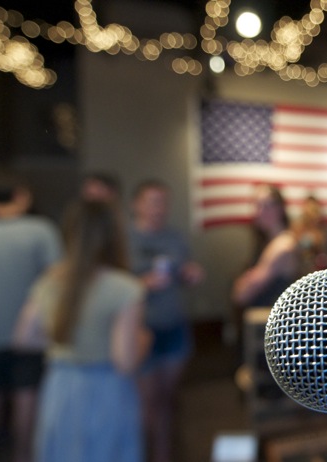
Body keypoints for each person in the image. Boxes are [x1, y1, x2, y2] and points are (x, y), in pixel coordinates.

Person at [13, 200, 150, 462]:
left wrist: (66, 341)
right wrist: (144, 339)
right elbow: (125, 361)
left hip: (60, 386)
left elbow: (24, 338)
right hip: (106, 388)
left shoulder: (50, 280)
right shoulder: (125, 288)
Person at [127, 179, 204, 462]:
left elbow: (185, 270)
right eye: (152, 201)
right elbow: (108, 284)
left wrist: (190, 273)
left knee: (168, 400)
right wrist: (141, 282)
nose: (159, 208)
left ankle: (165, 453)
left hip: (174, 325)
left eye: (163, 202)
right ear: (136, 204)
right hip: (139, 329)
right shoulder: (125, 238)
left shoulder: (175, 238)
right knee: (146, 405)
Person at [0, 168, 62, 462]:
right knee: (26, 411)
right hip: (30, 338)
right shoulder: (41, 230)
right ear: (22, 196)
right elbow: (58, 280)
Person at [232, 184, 300, 308]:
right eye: (257, 205)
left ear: (280, 208)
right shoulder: (270, 243)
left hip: (272, 322)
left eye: (266, 205)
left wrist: (247, 278)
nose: (259, 212)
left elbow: (243, 294)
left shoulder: (282, 245)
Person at [292, 194, 327, 274]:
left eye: (314, 209)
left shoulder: (322, 230)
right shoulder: (297, 228)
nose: (312, 212)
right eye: (309, 208)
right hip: (299, 269)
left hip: (317, 270)